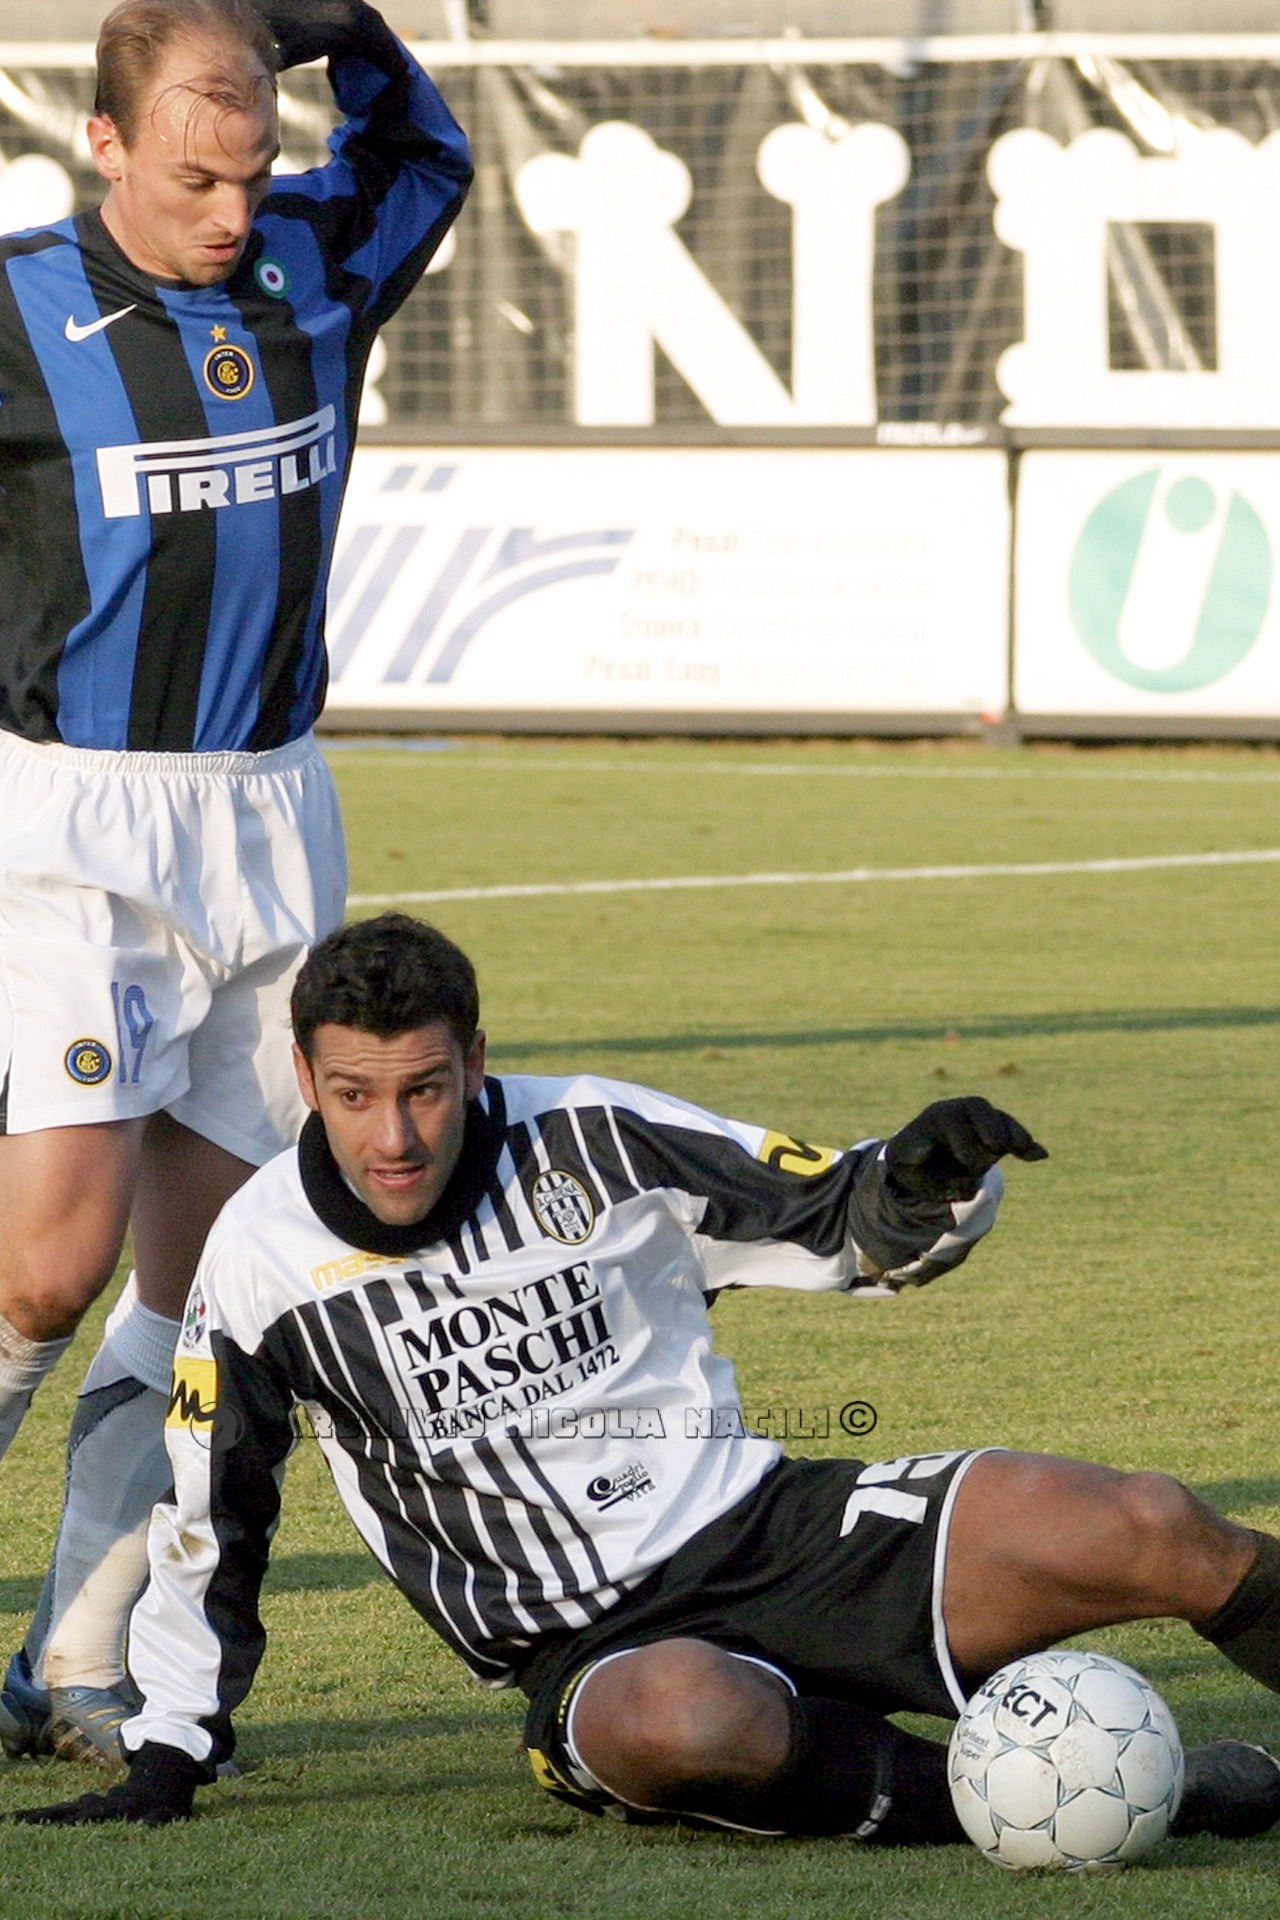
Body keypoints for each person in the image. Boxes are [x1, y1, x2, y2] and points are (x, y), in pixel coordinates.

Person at [11, 913, 1280, 1842]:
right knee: (686, 1722)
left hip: (772, 1531)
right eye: (353, 1096)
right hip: (587, 1645)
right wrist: (171, 1750)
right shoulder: (259, 1261)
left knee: (1148, 1523)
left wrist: (920, 1181)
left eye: (426, 1091)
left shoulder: (598, 1137)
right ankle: (1070, 1801)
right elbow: (212, 1518)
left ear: (474, 1062)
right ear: (306, 1081)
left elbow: (833, 1218)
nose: (393, 1135)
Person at [0, 0, 471, 1769]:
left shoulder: (312, 264)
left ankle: (79, 1661)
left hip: (270, 814)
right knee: (47, 1268)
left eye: (255, 170)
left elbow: (425, 154)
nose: (230, 210)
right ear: (104, 144)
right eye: (193, 176)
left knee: (201, 1282)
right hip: (68, 826)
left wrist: (331, 26)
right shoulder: (16, 309)